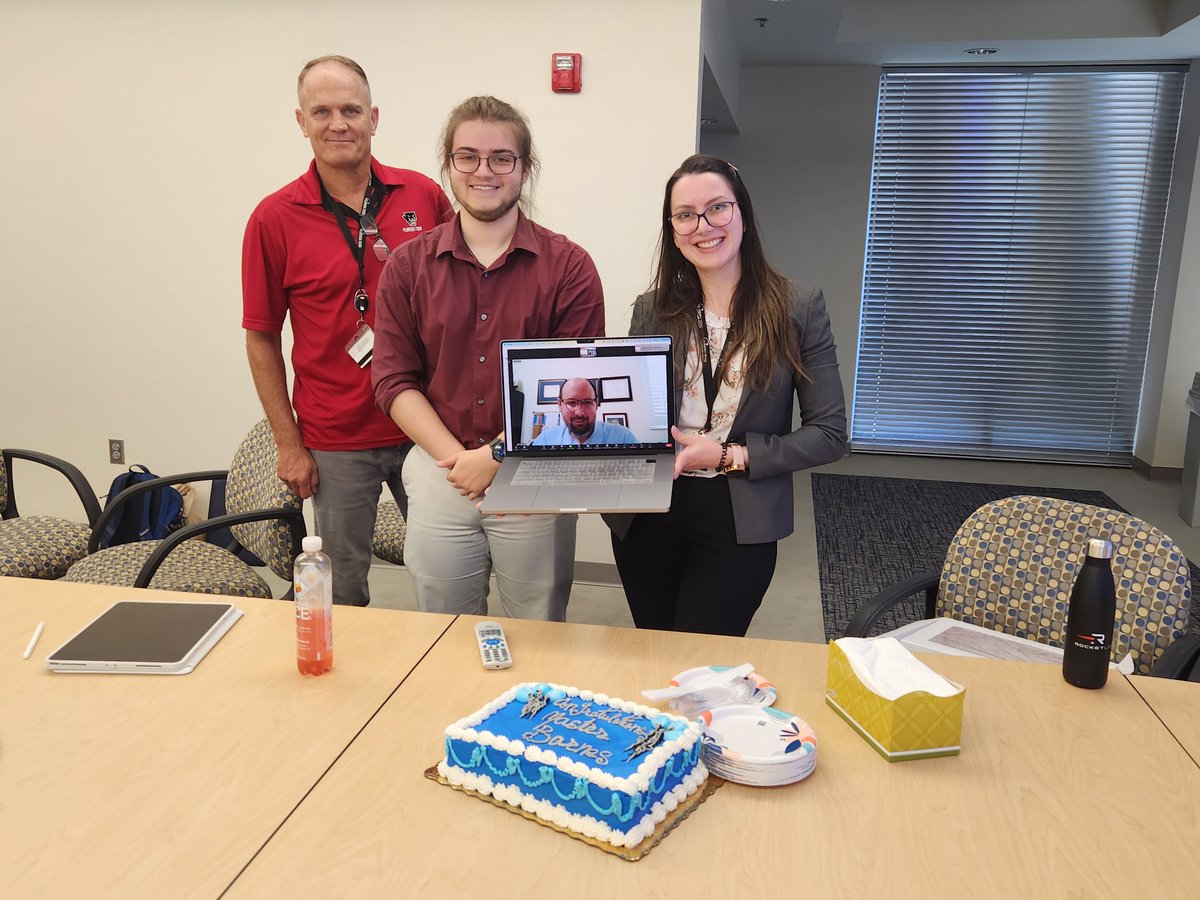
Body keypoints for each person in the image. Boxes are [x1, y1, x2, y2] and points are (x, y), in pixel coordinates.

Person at [372, 96, 604, 620]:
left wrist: (495, 456)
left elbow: (575, 387)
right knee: (444, 629)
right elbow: (393, 379)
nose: (484, 171)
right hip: (441, 471)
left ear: (525, 169)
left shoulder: (570, 267)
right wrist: (461, 464)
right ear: (449, 165)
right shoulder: (408, 266)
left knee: (540, 627)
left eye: (502, 158)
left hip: (536, 472)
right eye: (468, 156)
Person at [605, 154, 847, 637]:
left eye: (717, 207)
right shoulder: (652, 309)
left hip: (739, 509)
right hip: (650, 508)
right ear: (673, 230)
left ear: (743, 213)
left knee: (703, 656)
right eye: (685, 215)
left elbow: (829, 434)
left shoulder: (797, 308)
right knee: (655, 644)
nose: (703, 226)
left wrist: (728, 455)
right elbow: (630, 414)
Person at [242, 55, 453, 606]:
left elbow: (465, 296)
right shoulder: (273, 218)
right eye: (322, 111)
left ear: (373, 118)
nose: (338, 123)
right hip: (336, 436)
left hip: (426, 426)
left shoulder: (423, 196)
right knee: (341, 591)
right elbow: (261, 336)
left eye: (351, 110)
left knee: (446, 572)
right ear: (302, 121)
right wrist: (288, 444)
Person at [530, 377, 639, 446]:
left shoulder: (623, 437)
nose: (579, 412)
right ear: (559, 404)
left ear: (596, 404)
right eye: (571, 402)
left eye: (587, 402)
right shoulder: (545, 440)